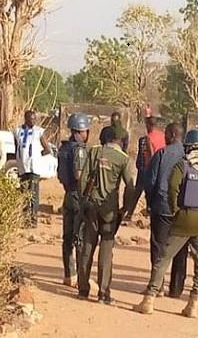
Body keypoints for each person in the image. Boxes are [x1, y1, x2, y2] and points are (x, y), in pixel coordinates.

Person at [134, 129, 198, 318]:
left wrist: (175, 210)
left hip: (183, 218)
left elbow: (172, 188)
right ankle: (193, 304)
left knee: (163, 259)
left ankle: (149, 299)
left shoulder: (182, 166)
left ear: (188, 147)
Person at [77, 126, 136, 304]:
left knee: (87, 246)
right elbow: (130, 187)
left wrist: (83, 201)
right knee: (106, 249)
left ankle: (83, 288)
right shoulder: (124, 159)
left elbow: (83, 178)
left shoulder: (94, 151)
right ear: (122, 141)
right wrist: (125, 209)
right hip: (110, 209)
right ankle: (103, 293)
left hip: (91, 204)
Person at [144, 123, 187, 298]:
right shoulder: (188, 156)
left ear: (172, 134)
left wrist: (149, 203)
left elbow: (150, 182)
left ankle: (158, 286)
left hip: (161, 207)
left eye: (167, 134)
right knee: (181, 249)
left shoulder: (162, 154)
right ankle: (176, 289)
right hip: (183, 209)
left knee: (158, 247)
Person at [57, 112, 90, 288]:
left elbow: (60, 174)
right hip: (78, 196)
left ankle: (69, 274)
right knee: (79, 238)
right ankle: (80, 277)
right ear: (81, 131)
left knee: (67, 237)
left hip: (67, 195)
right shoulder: (79, 149)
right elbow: (79, 174)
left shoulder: (64, 148)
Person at [14, 110, 51, 228]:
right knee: (24, 193)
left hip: (34, 167)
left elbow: (47, 149)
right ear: (26, 118)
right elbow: (17, 148)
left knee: (33, 194)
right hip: (22, 167)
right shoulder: (17, 131)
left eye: (35, 119)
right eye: (31, 118)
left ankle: (33, 219)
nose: (33, 121)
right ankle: (25, 218)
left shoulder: (39, 132)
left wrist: (36, 155)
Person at [131, 116, 166, 217]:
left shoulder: (148, 138)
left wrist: (146, 168)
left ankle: (130, 213)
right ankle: (152, 212)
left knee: (140, 190)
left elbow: (150, 155)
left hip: (149, 168)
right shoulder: (163, 136)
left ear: (149, 125)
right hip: (161, 168)